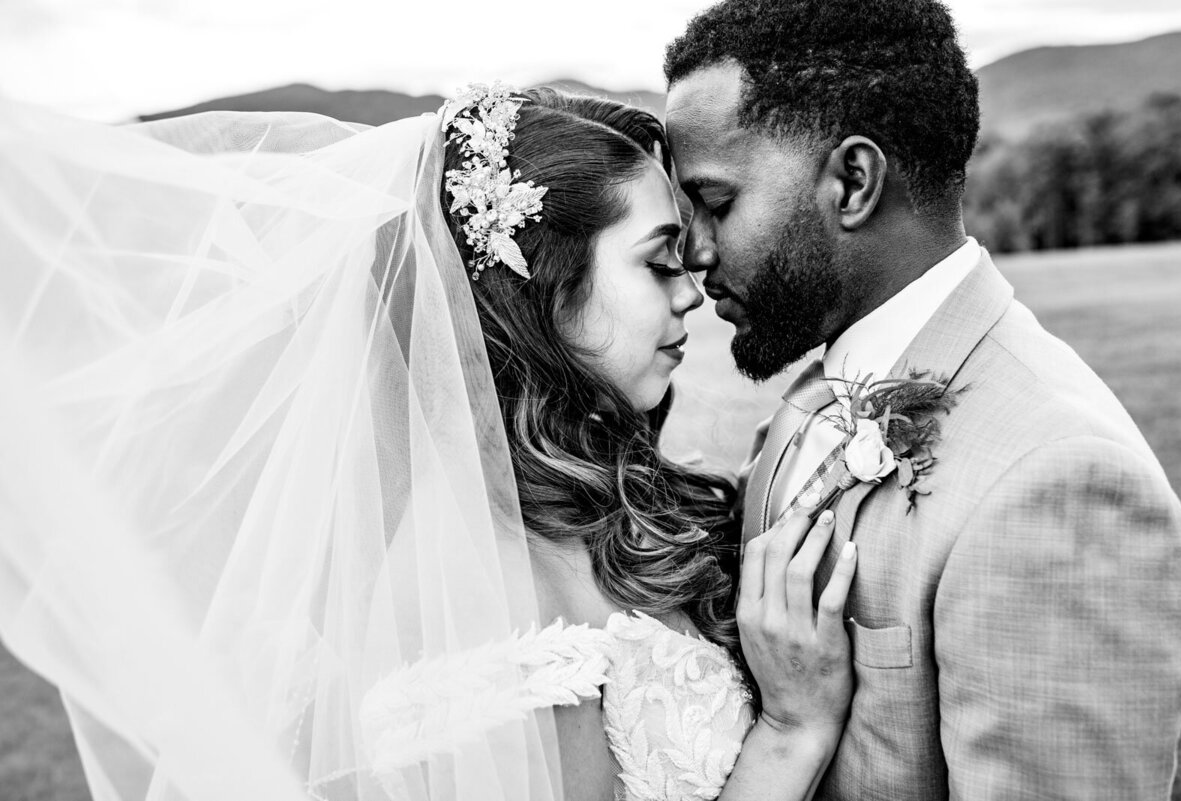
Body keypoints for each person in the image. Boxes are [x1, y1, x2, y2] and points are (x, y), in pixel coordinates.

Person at [0, 85, 854, 801]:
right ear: (546, 287)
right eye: (658, 262)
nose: (691, 296)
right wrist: (790, 731)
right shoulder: (469, 590)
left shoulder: (595, 505)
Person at [662, 0, 1181, 798]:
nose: (696, 251)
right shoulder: (820, 389)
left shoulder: (1061, 485)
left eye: (716, 202)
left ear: (852, 182)